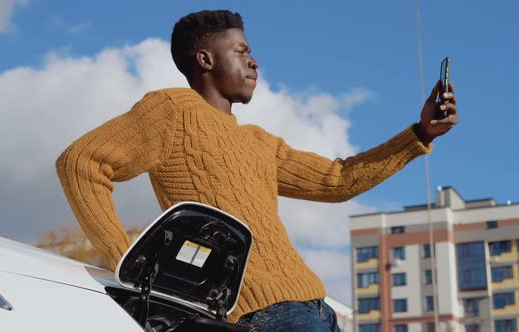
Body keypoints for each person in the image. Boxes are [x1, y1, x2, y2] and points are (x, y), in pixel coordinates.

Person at [56, 10, 457, 332]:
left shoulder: (259, 142)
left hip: (318, 308)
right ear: (205, 59)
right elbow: (81, 162)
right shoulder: (171, 110)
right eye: (241, 50)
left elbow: (338, 180)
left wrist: (420, 133)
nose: (254, 60)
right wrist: (133, 265)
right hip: (258, 315)